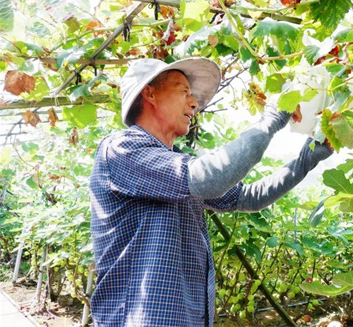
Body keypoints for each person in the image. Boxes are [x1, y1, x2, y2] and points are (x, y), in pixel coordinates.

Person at [89, 57, 333, 327]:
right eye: (184, 91)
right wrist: (273, 117)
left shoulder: (176, 165)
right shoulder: (122, 149)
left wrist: (311, 154)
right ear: (150, 93)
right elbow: (210, 178)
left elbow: (248, 197)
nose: (193, 103)